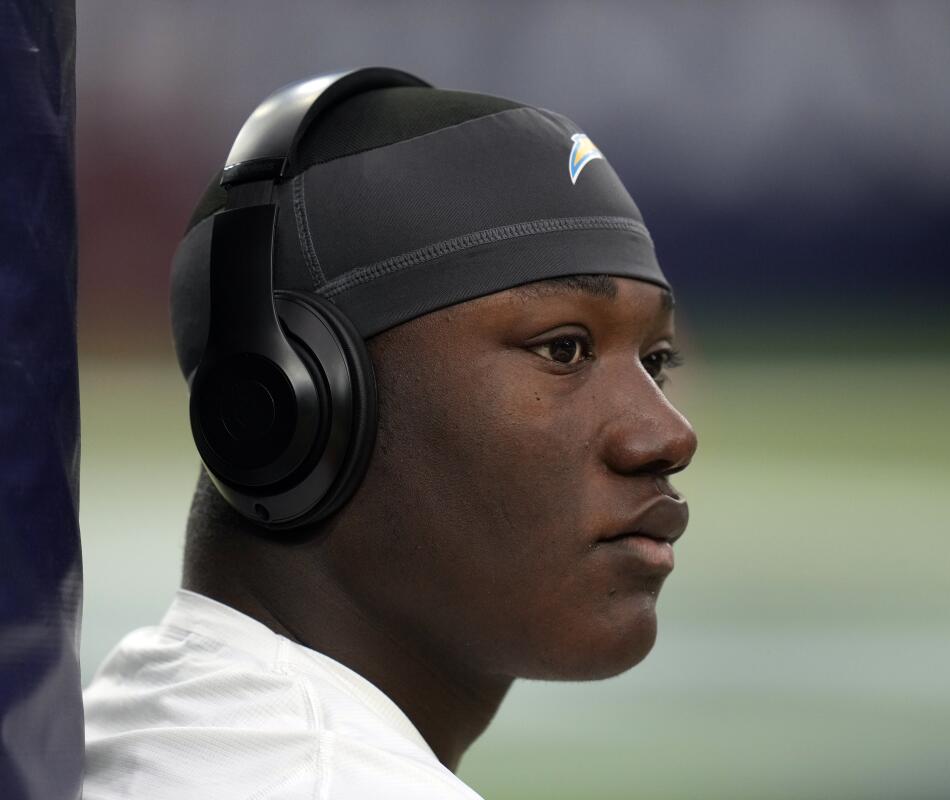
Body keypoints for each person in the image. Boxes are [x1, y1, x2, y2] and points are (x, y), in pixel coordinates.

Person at [82, 69, 697, 799]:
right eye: (563, 348)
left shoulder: (131, 731)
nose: (667, 435)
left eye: (657, 362)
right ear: (285, 408)